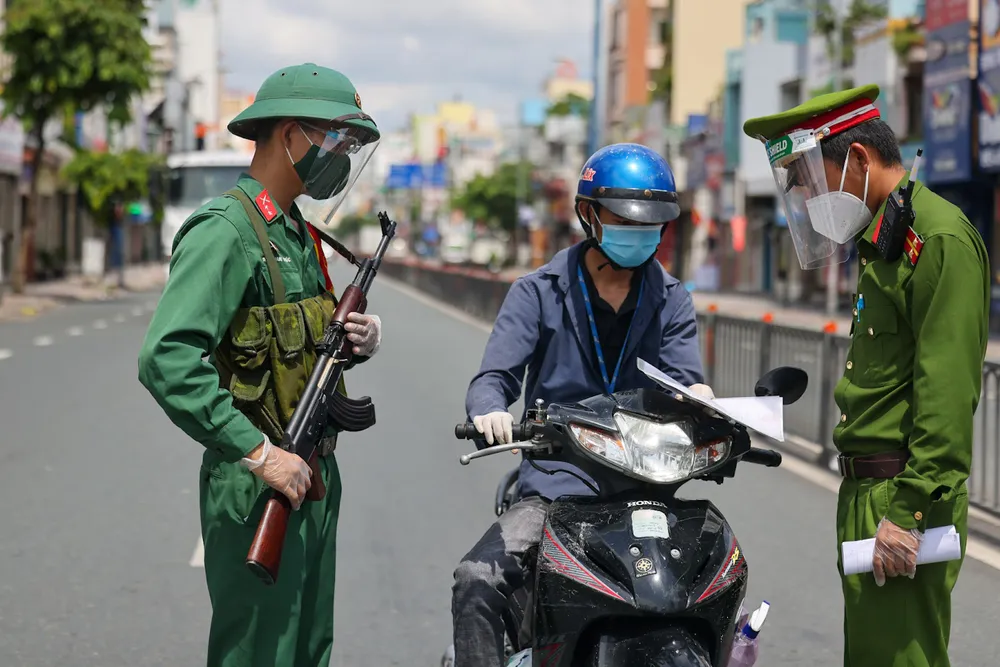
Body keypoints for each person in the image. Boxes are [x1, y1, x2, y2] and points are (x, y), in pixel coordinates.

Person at [138, 63, 384, 667]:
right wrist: (258, 453)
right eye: (335, 139)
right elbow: (165, 356)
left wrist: (359, 338)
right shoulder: (225, 231)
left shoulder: (298, 231)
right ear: (289, 135)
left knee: (307, 650)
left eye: (351, 144)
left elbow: (297, 343)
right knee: (257, 655)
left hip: (313, 476)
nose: (343, 155)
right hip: (259, 479)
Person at [742, 84, 990, 666]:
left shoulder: (936, 239)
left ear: (857, 160)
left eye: (809, 180)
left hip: (902, 495)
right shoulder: (884, 240)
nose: (805, 199)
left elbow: (947, 396)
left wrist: (908, 513)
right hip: (865, 492)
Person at [451, 143, 713, 667]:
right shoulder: (537, 291)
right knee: (477, 581)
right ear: (589, 214)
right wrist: (491, 409)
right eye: (624, 219)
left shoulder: (673, 298)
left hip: (651, 491)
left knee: (722, 579)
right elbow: (495, 378)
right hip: (555, 490)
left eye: (651, 224)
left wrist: (705, 403)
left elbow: (688, 383)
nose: (639, 232)